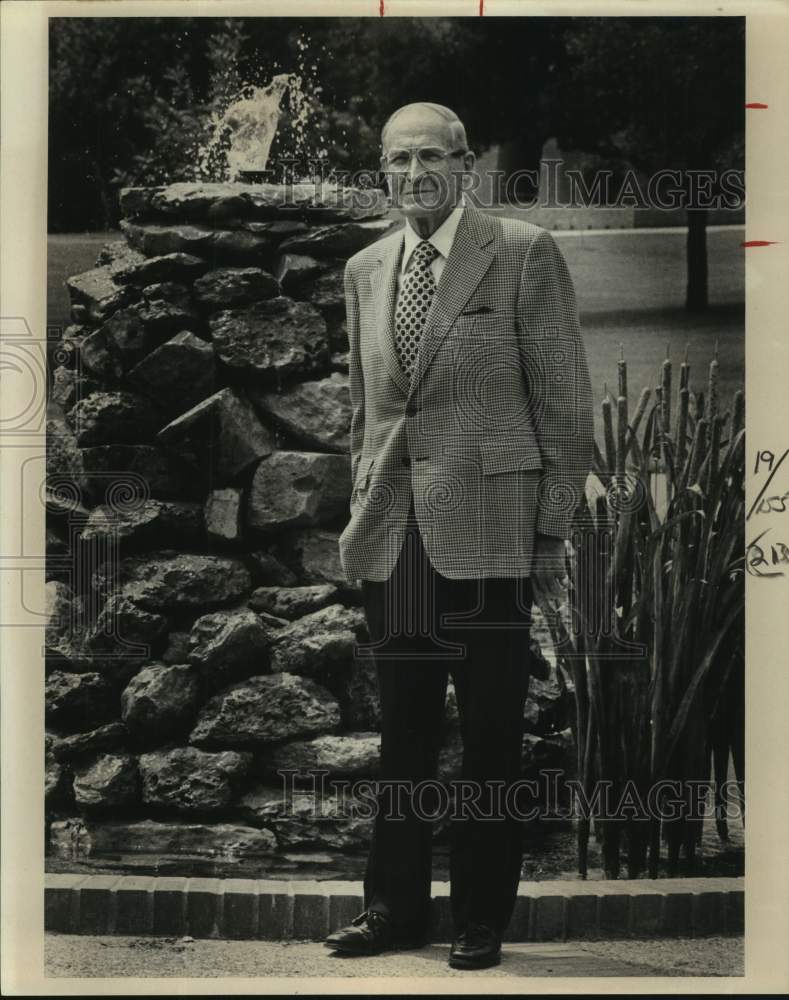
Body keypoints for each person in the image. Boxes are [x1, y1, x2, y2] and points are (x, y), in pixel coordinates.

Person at [326, 102, 594, 969]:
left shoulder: (520, 251)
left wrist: (550, 531)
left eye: (430, 158)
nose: (414, 175)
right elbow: (369, 412)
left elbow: (560, 400)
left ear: (465, 163)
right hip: (396, 533)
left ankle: (481, 917)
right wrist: (359, 499)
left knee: (489, 732)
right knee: (401, 730)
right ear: (382, 170)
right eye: (398, 161)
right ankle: (392, 910)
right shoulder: (366, 268)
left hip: (491, 527)